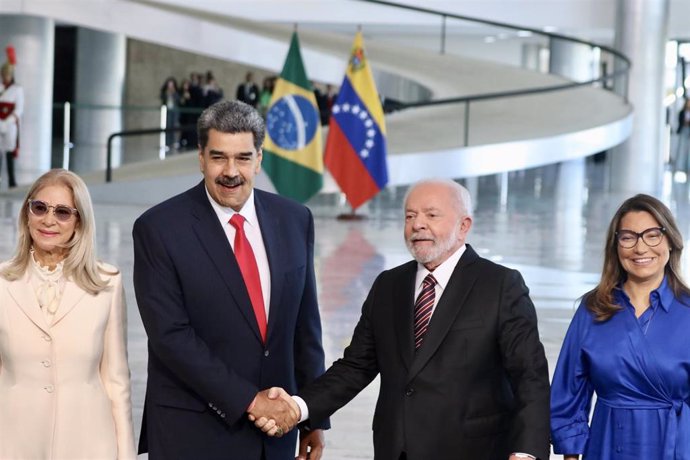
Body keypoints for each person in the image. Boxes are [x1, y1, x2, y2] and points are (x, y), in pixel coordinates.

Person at [255, 178, 551, 460]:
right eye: (410, 216)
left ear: (464, 227)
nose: (417, 224)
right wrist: (297, 407)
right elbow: (355, 367)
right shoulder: (388, 285)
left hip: (474, 450)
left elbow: (530, 377)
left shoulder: (500, 285)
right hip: (396, 449)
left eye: (431, 215)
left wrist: (526, 451)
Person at [133, 99, 328, 459]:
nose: (230, 171)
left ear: (259, 159)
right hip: (194, 433)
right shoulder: (159, 229)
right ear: (201, 157)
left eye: (242, 158)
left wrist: (311, 414)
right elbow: (171, 337)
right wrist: (250, 401)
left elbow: (305, 327)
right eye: (219, 156)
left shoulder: (295, 219)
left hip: (275, 436)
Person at [0, 169, 136, 459]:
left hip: (89, 445)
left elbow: (116, 382)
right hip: (14, 444)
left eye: (63, 212)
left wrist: (126, 455)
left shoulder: (107, 282)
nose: (48, 220)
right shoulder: (1, 281)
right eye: (39, 208)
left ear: (79, 222)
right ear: (27, 214)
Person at [550, 194, 690, 459]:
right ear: (616, 245)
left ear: (670, 241)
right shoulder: (592, 309)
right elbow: (569, 392)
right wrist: (571, 454)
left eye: (652, 235)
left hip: (674, 447)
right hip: (607, 445)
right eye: (628, 237)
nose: (640, 248)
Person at [0, 45, 23, 188]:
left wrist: (7, 122)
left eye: (8, 74)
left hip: (10, 125)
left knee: (9, 152)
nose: (5, 77)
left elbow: (19, 109)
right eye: (4, 74)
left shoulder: (17, 89)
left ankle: (12, 181)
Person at [159, 76, 180, 151]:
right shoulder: (165, 92)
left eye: (172, 85)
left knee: (174, 127)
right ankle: (167, 143)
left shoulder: (176, 92)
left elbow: (178, 100)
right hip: (167, 111)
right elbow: (162, 98)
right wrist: (167, 94)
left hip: (174, 111)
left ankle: (174, 142)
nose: (170, 86)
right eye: (169, 85)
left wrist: (173, 93)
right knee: (168, 127)